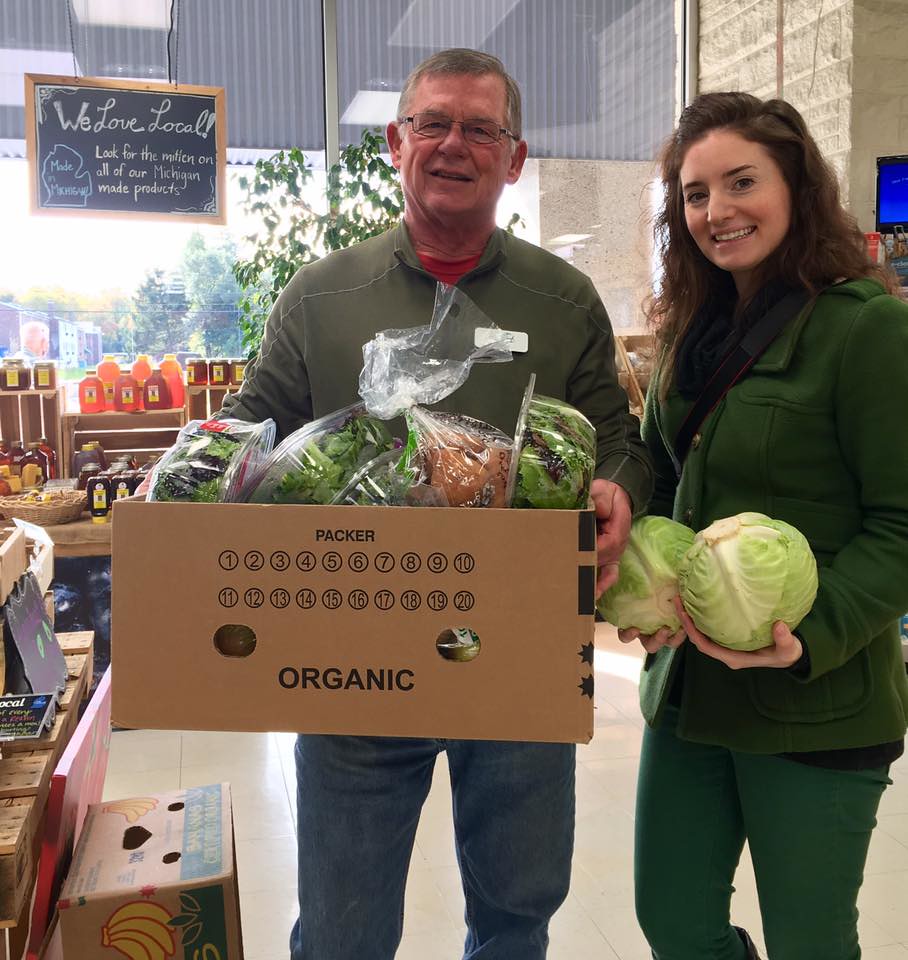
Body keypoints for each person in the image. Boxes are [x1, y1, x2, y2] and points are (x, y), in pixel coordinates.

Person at [220, 49, 652, 959]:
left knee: (517, 912)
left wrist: (618, 488)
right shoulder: (322, 296)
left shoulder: (563, 298)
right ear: (395, 142)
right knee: (341, 927)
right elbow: (247, 434)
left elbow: (619, 439)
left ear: (516, 156)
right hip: (353, 652)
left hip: (520, 649)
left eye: (481, 128)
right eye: (434, 123)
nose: (455, 145)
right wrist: (196, 478)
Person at [622, 91, 908, 960]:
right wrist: (636, 555)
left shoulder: (869, 330)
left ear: (796, 184)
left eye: (741, 181)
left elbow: (902, 522)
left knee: (811, 942)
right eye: (696, 195)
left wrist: (808, 634)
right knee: (672, 919)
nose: (717, 211)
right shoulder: (692, 329)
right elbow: (665, 472)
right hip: (692, 693)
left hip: (817, 696)